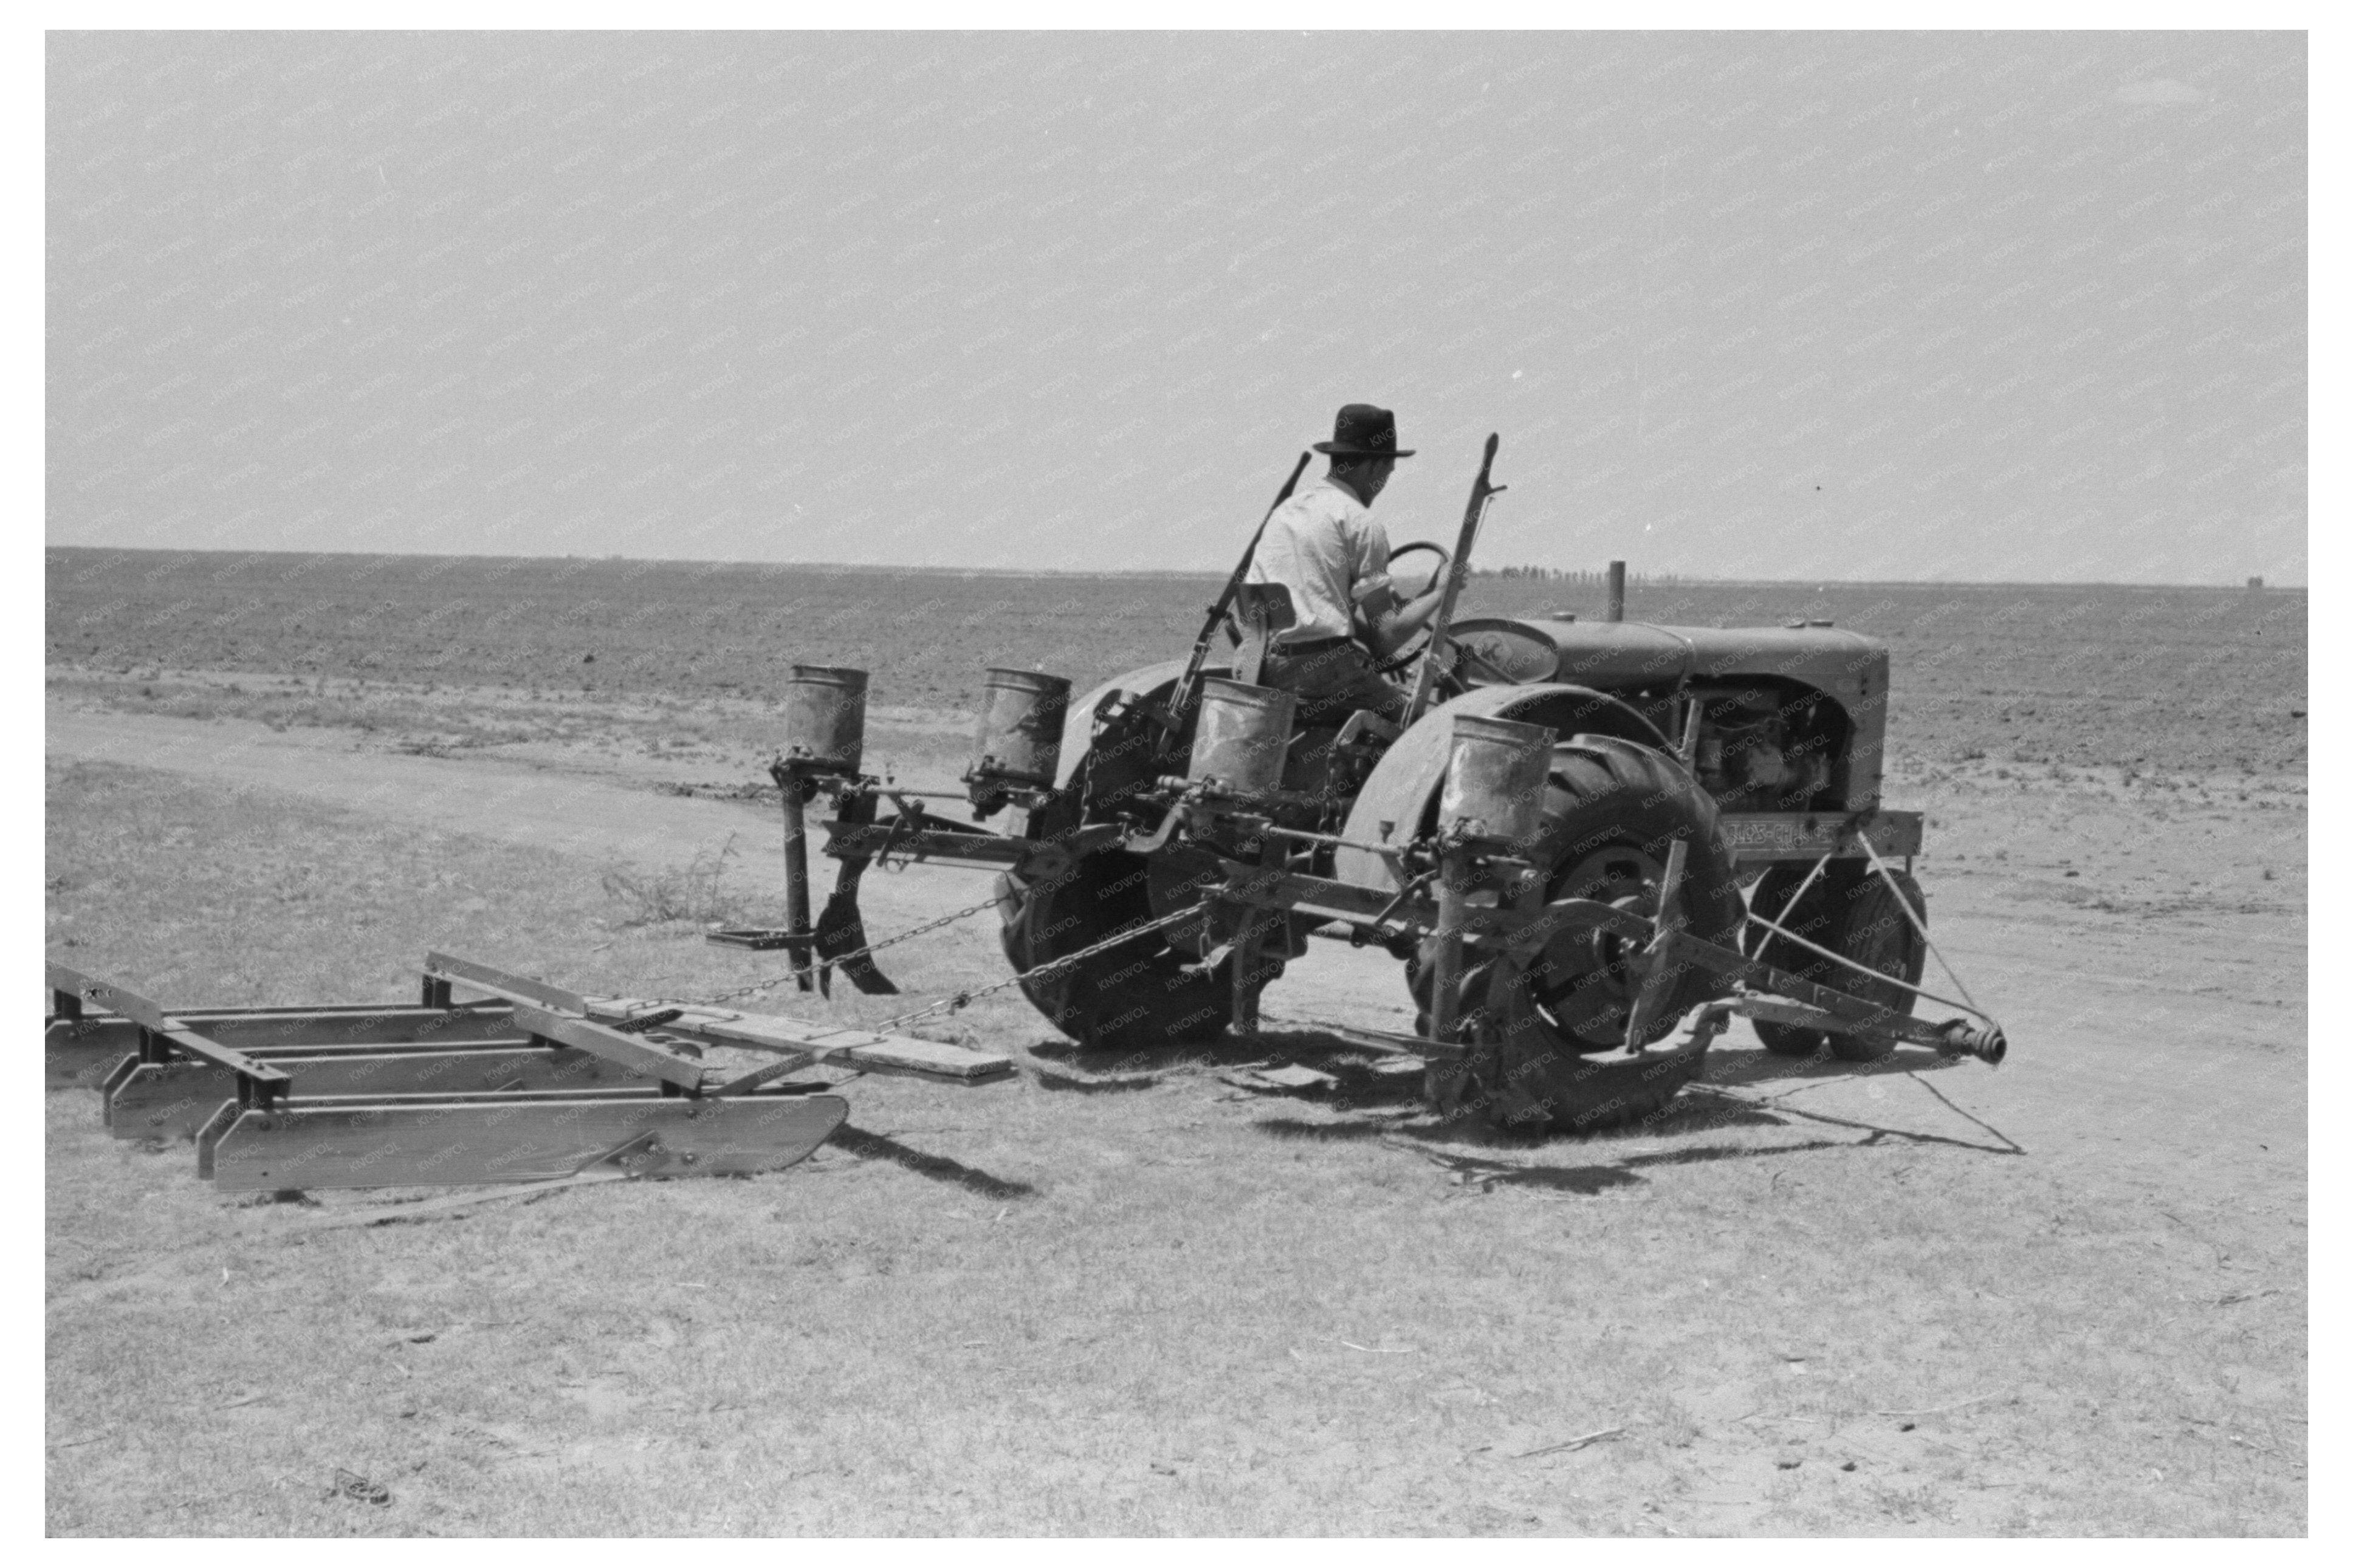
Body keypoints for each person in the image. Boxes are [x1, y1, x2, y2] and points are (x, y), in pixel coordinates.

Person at [1246, 403, 1445, 725]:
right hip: (1321, 675)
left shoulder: (1286, 512)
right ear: (1375, 466)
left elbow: (1315, 615)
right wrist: (1440, 590)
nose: (1383, 485)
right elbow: (1387, 638)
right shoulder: (1361, 523)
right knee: (1424, 727)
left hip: (1258, 665)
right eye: (1386, 474)